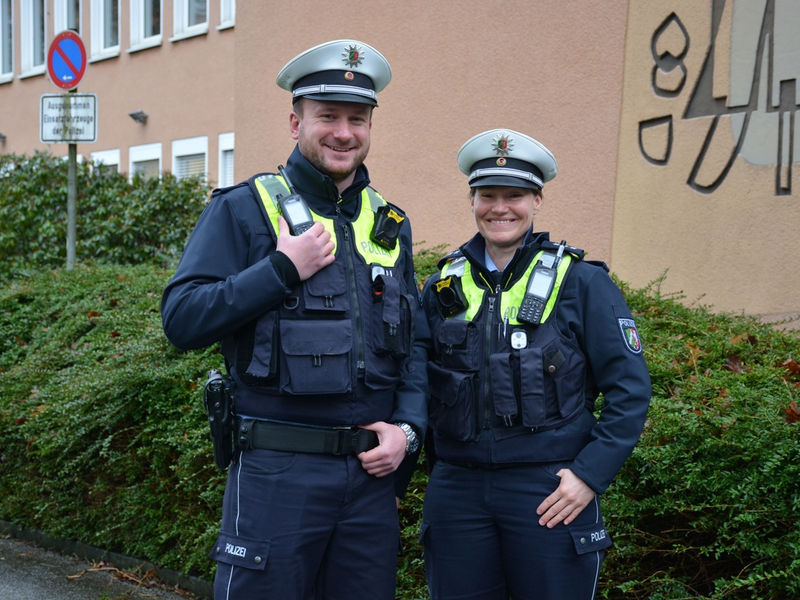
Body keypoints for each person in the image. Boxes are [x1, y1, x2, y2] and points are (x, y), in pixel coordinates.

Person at [161, 39, 427, 600]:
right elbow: (182, 319)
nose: (343, 132)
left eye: (358, 118)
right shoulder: (243, 208)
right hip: (277, 474)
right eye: (327, 116)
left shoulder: (389, 223)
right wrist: (282, 268)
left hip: (370, 480)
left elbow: (416, 346)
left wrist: (408, 430)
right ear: (294, 121)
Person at [418, 129, 651, 600]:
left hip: (549, 491)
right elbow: (413, 383)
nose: (499, 208)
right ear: (472, 200)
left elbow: (630, 390)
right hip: (457, 490)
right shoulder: (441, 285)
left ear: (538, 200)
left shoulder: (582, 283)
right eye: (487, 195)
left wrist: (589, 475)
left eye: (515, 195)